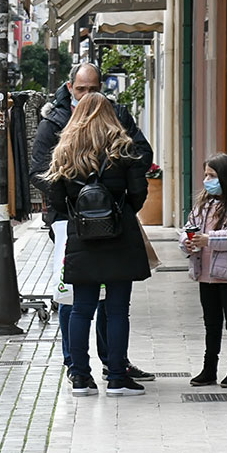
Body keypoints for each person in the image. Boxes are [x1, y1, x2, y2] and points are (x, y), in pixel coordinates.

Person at [30, 62, 156, 384]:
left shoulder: (67, 150)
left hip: (80, 235)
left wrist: (74, 213)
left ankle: (80, 376)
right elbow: (139, 189)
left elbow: (54, 191)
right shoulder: (122, 145)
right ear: (70, 87)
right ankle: (116, 376)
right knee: (116, 309)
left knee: (81, 307)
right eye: (82, 87)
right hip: (118, 234)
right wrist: (122, 211)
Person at [180, 153, 227, 388]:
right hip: (205, 274)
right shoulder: (204, 204)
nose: (206, 180)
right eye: (205, 175)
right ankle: (209, 369)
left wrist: (208, 239)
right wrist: (188, 242)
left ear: (225, 177)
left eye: (212, 175)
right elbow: (187, 229)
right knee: (211, 323)